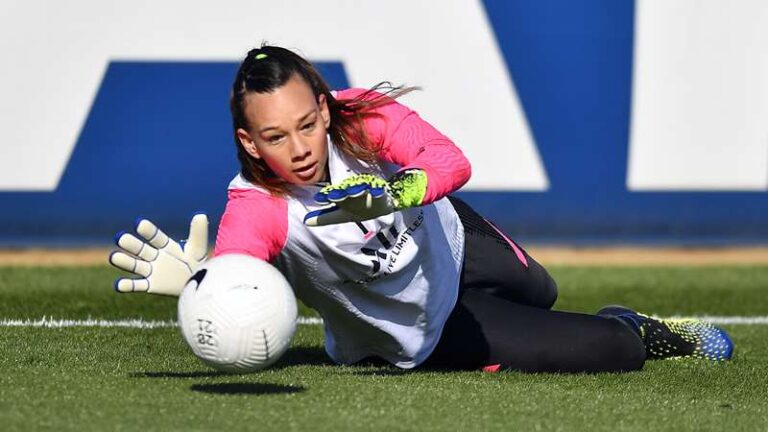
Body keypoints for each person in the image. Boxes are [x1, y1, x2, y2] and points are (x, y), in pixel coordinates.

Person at [109, 44, 733, 373]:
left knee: (541, 291)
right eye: (275, 138)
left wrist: (390, 192)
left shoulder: (360, 117)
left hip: (451, 237)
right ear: (249, 141)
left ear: (324, 108)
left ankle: (522, 309)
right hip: (419, 331)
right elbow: (237, 270)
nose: (299, 149)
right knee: (614, 351)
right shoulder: (260, 205)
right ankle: (639, 326)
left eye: (306, 125)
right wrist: (202, 285)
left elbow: (450, 164)